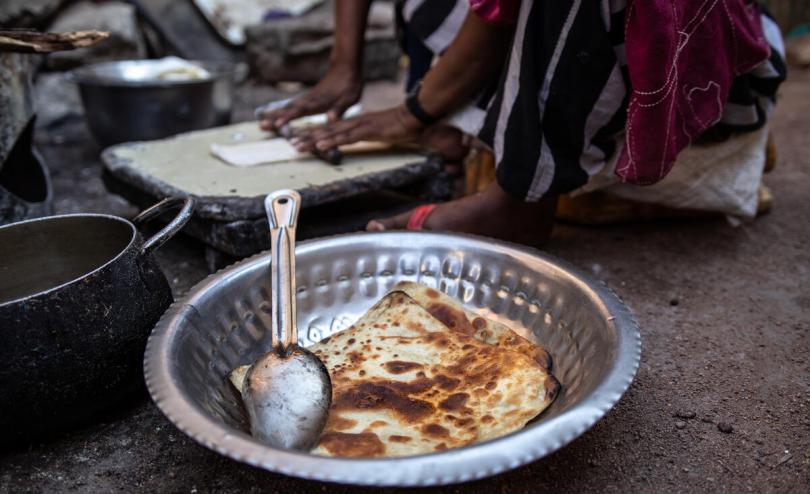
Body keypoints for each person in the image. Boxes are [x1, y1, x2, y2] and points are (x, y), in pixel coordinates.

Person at [261, 0, 786, 246]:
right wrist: (343, 68)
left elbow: (498, 8)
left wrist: (411, 111)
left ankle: (521, 199)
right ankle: (458, 126)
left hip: (694, 66)